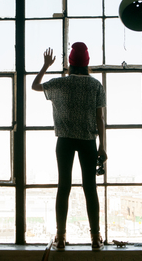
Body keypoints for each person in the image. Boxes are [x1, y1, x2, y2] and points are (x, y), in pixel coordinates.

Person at [32, 42, 107, 250]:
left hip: (64, 140)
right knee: (90, 188)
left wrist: (46, 65)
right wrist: (102, 146)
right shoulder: (95, 85)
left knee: (63, 187)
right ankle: (94, 238)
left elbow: (35, 86)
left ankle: (61, 237)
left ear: (70, 63)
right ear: (87, 63)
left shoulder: (60, 83)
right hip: (88, 141)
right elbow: (99, 119)